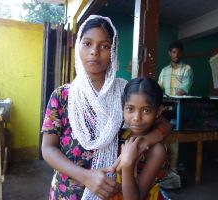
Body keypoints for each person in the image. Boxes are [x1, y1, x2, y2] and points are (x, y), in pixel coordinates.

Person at [41, 15, 170, 200]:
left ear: (113, 51)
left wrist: (144, 141)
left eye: (105, 46)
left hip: (114, 194)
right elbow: (48, 149)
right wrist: (85, 176)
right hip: (68, 192)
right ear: (78, 47)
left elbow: (163, 122)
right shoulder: (62, 96)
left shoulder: (125, 92)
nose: (95, 51)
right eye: (87, 43)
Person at [111, 77, 168, 200]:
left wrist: (127, 164)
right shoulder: (118, 135)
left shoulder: (156, 150)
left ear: (158, 111)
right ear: (123, 108)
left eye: (146, 110)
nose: (137, 118)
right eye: (130, 109)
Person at [158, 41, 194, 189]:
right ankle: (163, 171)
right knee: (163, 137)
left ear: (181, 53)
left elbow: (183, 90)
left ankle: (173, 171)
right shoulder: (164, 71)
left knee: (174, 139)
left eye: (178, 52)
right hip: (166, 108)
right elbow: (159, 88)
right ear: (169, 53)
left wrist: (170, 97)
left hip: (180, 109)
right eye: (173, 52)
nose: (176, 55)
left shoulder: (187, 69)